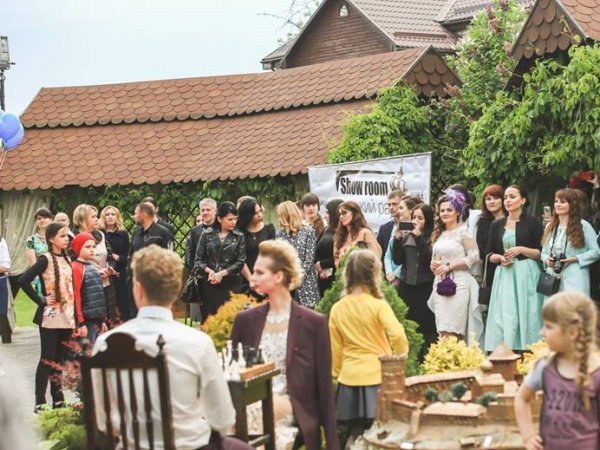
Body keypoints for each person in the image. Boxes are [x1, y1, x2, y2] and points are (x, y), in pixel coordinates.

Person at [93, 245, 251, 450]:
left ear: (138, 289)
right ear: (175, 291)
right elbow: (223, 419)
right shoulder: (197, 342)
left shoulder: (106, 343)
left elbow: (103, 421)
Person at [231, 240, 339, 450]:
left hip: (293, 408)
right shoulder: (245, 320)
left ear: (278, 276)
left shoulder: (313, 323)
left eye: (260, 272)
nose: (253, 277)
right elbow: (233, 375)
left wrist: (332, 444)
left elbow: (324, 386)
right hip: (250, 406)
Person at [329, 250, 408, 440]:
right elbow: (397, 334)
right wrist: (399, 358)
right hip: (377, 375)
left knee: (355, 432)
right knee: (381, 432)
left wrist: (337, 372)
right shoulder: (378, 305)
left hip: (349, 377)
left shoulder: (337, 308)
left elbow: (335, 347)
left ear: (347, 274)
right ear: (374, 274)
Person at [515, 292, 600, 450]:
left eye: (548, 326)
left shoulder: (597, 374)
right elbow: (521, 398)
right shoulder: (545, 368)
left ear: (572, 332)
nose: (541, 332)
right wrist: (528, 436)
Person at [19, 223, 74, 412]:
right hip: (51, 317)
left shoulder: (67, 258)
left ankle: (58, 398)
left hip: (67, 316)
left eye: (67, 236)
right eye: (62, 236)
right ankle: (40, 401)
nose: (66, 239)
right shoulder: (45, 259)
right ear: (51, 239)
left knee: (59, 360)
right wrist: (41, 300)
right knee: (47, 358)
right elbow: (24, 280)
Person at [484, 185, 544, 352]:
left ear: (522, 200)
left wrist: (521, 249)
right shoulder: (496, 224)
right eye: (506, 197)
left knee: (528, 312)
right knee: (504, 313)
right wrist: (500, 258)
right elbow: (488, 254)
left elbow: (541, 252)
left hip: (527, 273)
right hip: (505, 274)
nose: (508, 200)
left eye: (512, 197)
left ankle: (529, 349)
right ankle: (505, 351)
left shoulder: (532, 222)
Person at [428, 190, 483, 344]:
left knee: (453, 329)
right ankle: (444, 357)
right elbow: (437, 257)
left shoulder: (463, 232)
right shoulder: (440, 234)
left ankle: (455, 357)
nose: (445, 213)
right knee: (442, 329)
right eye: (442, 210)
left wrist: (450, 266)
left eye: (449, 210)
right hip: (440, 283)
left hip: (458, 284)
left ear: (458, 212)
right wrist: (433, 265)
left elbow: (474, 256)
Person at [392, 203, 436, 352]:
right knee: (408, 324)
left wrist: (419, 237)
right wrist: (397, 239)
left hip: (425, 286)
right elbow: (397, 260)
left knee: (426, 327)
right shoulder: (407, 236)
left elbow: (427, 259)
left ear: (427, 220)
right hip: (406, 286)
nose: (416, 221)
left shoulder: (433, 236)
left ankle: (428, 357)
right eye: (414, 217)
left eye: (420, 218)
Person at [541, 189, 600, 297]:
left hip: (575, 277)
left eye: (562, 202)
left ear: (572, 205)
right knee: (554, 307)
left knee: (573, 307)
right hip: (553, 278)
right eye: (556, 201)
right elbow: (544, 252)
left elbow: (596, 252)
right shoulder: (550, 226)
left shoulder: (583, 226)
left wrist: (575, 258)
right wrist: (546, 260)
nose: (558, 204)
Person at [194, 201, 246, 320]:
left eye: (235, 219)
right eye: (230, 219)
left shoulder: (239, 236)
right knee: (210, 320)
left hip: (231, 283)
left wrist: (222, 273)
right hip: (210, 283)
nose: (233, 222)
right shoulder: (206, 234)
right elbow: (198, 260)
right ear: (219, 219)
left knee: (230, 320)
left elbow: (240, 262)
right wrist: (210, 271)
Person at [73, 204, 118, 323]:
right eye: (93, 217)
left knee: (107, 322)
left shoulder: (100, 235)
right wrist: (96, 273)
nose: (97, 219)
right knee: (92, 324)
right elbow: (73, 263)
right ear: (82, 219)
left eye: (96, 216)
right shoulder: (73, 238)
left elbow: (110, 257)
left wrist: (109, 269)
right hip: (86, 288)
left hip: (105, 285)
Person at [275, 201, 320, 308]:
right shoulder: (279, 234)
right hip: (286, 286)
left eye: (280, 216)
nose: (279, 219)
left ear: (288, 215)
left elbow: (309, 261)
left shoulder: (308, 232)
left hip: (307, 286)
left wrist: (295, 279)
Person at [71, 232, 107, 344]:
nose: (92, 250)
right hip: (86, 320)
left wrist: (102, 320)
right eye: (87, 247)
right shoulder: (76, 267)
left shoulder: (92, 267)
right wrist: (80, 322)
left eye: (93, 247)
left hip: (97, 318)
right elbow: (76, 295)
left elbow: (99, 296)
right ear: (78, 248)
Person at [99, 206, 131, 321]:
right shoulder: (99, 234)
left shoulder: (123, 234)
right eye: (107, 214)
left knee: (122, 301)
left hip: (119, 272)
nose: (110, 217)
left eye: (113, 214)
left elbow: (128, 256)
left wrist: (118, 257)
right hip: (104, 272)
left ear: (117, 217)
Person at [236, 198, 276, 290]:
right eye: (255, 213)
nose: (259, 215)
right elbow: (240, 259)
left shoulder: (269, 229)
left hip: (266, 277)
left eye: (260, 211)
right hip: (246, 279)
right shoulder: (240, 233)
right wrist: (251, 279)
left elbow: (273, 255)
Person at [384, 196, 422, 287]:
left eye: (401, 208)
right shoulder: (397, 228)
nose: (398, 211)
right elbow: (388, 255)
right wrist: (389, 273)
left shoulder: (417, 230)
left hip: (406, 279)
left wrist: (396, 275)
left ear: (411, 210)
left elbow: (413, 258)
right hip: (390, 279)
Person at [334, 201, 381, 267]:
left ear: (354, 213)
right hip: (344, 272)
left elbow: (376, 257)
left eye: (344, 213)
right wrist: (341, 261)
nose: (341, 217)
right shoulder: (340, 235)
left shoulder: (365, 233)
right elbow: (336, 259)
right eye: (340, 214)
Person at [476, 185, 505, 287]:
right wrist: (496, 258)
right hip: (492, 269)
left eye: (496, 198)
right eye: (488, 199)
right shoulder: (483, 222)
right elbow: (481, 250)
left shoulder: (512, 220)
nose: (492, 202)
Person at [315, 199, 343, 296]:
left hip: (334, 276)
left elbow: (342, 255)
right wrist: (319, 267)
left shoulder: (343, 232)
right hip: (322, 277)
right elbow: (316, 248)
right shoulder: (326, 229)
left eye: (328, 213)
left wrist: (322, 264)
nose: (325, 216)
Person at [25, 207, 53, 299]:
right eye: (39, 218)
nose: (42, 220)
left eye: (45, 217)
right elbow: (33, 264)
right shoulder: (31, 240)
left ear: (51, 219)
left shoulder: (56, 237)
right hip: (41, 278)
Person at [185, 198, 217, 270]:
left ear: (215, 211)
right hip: (201, 272)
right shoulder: (195, 231)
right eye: (202, 210)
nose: (205, 212)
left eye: (208, 210)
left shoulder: (222, 227)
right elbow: (191, 255)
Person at [377, 190, 404, 265]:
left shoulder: (411, 226)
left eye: (394, 204)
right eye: (389, 205)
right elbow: (380, 255)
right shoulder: (384, 229)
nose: (391, 207)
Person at [0, 237, 13, 344]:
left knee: (2, 313)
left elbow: (5, 266)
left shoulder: (1, 241)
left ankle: (6, 339)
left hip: (0, 280)